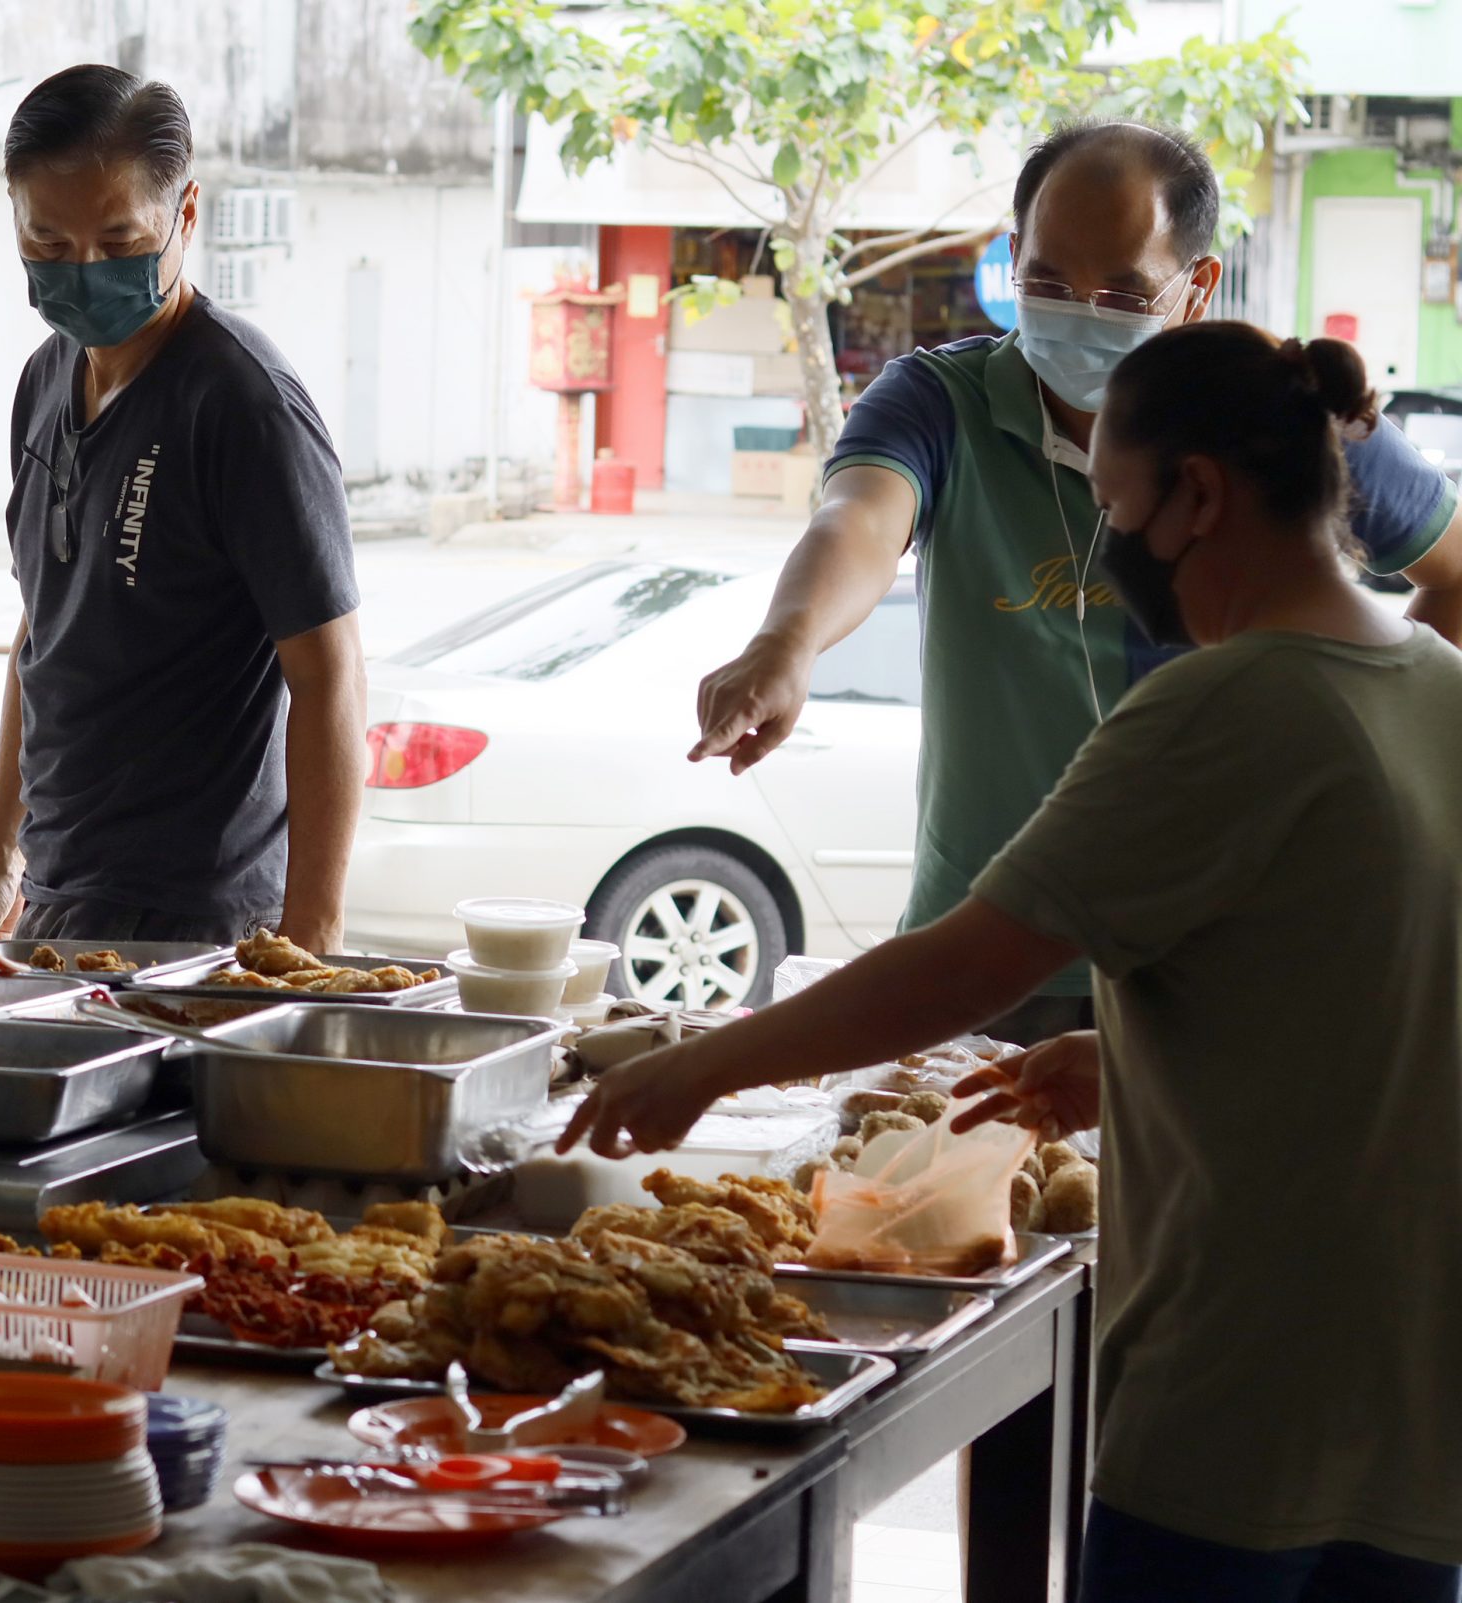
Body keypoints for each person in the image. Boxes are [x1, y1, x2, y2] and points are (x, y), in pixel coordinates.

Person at [568, 326, 1462, 1601]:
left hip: (1241, 1390)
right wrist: (1145, 1056)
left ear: (1195, 496)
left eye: (1110, 505)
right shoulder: (1432, 679)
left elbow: (960, 970)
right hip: (1416, 1394)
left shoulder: (1226, 702)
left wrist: (704, 1064)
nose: (1106, 547)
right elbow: (1375, 996)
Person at [690, 120, 1462, 1045]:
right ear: (1013, 259)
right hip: (985, 950)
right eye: (1050, 283)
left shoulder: (1283, 423)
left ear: (1196, 287)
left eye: (1124, 292)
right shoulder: (944, 402)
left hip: (1212, 966)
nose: (1081, 312)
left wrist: (1387, 724)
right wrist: (788, 641)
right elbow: (856, 518)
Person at [0, 64, 367, 954]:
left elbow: (329, 676)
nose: (86, 271)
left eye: (119, 239)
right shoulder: (45, 378)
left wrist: (308, 941)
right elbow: (41, 635)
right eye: (50, 246)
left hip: (199, 917)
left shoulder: (243, 403)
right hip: (62, 895)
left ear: (186, 216)